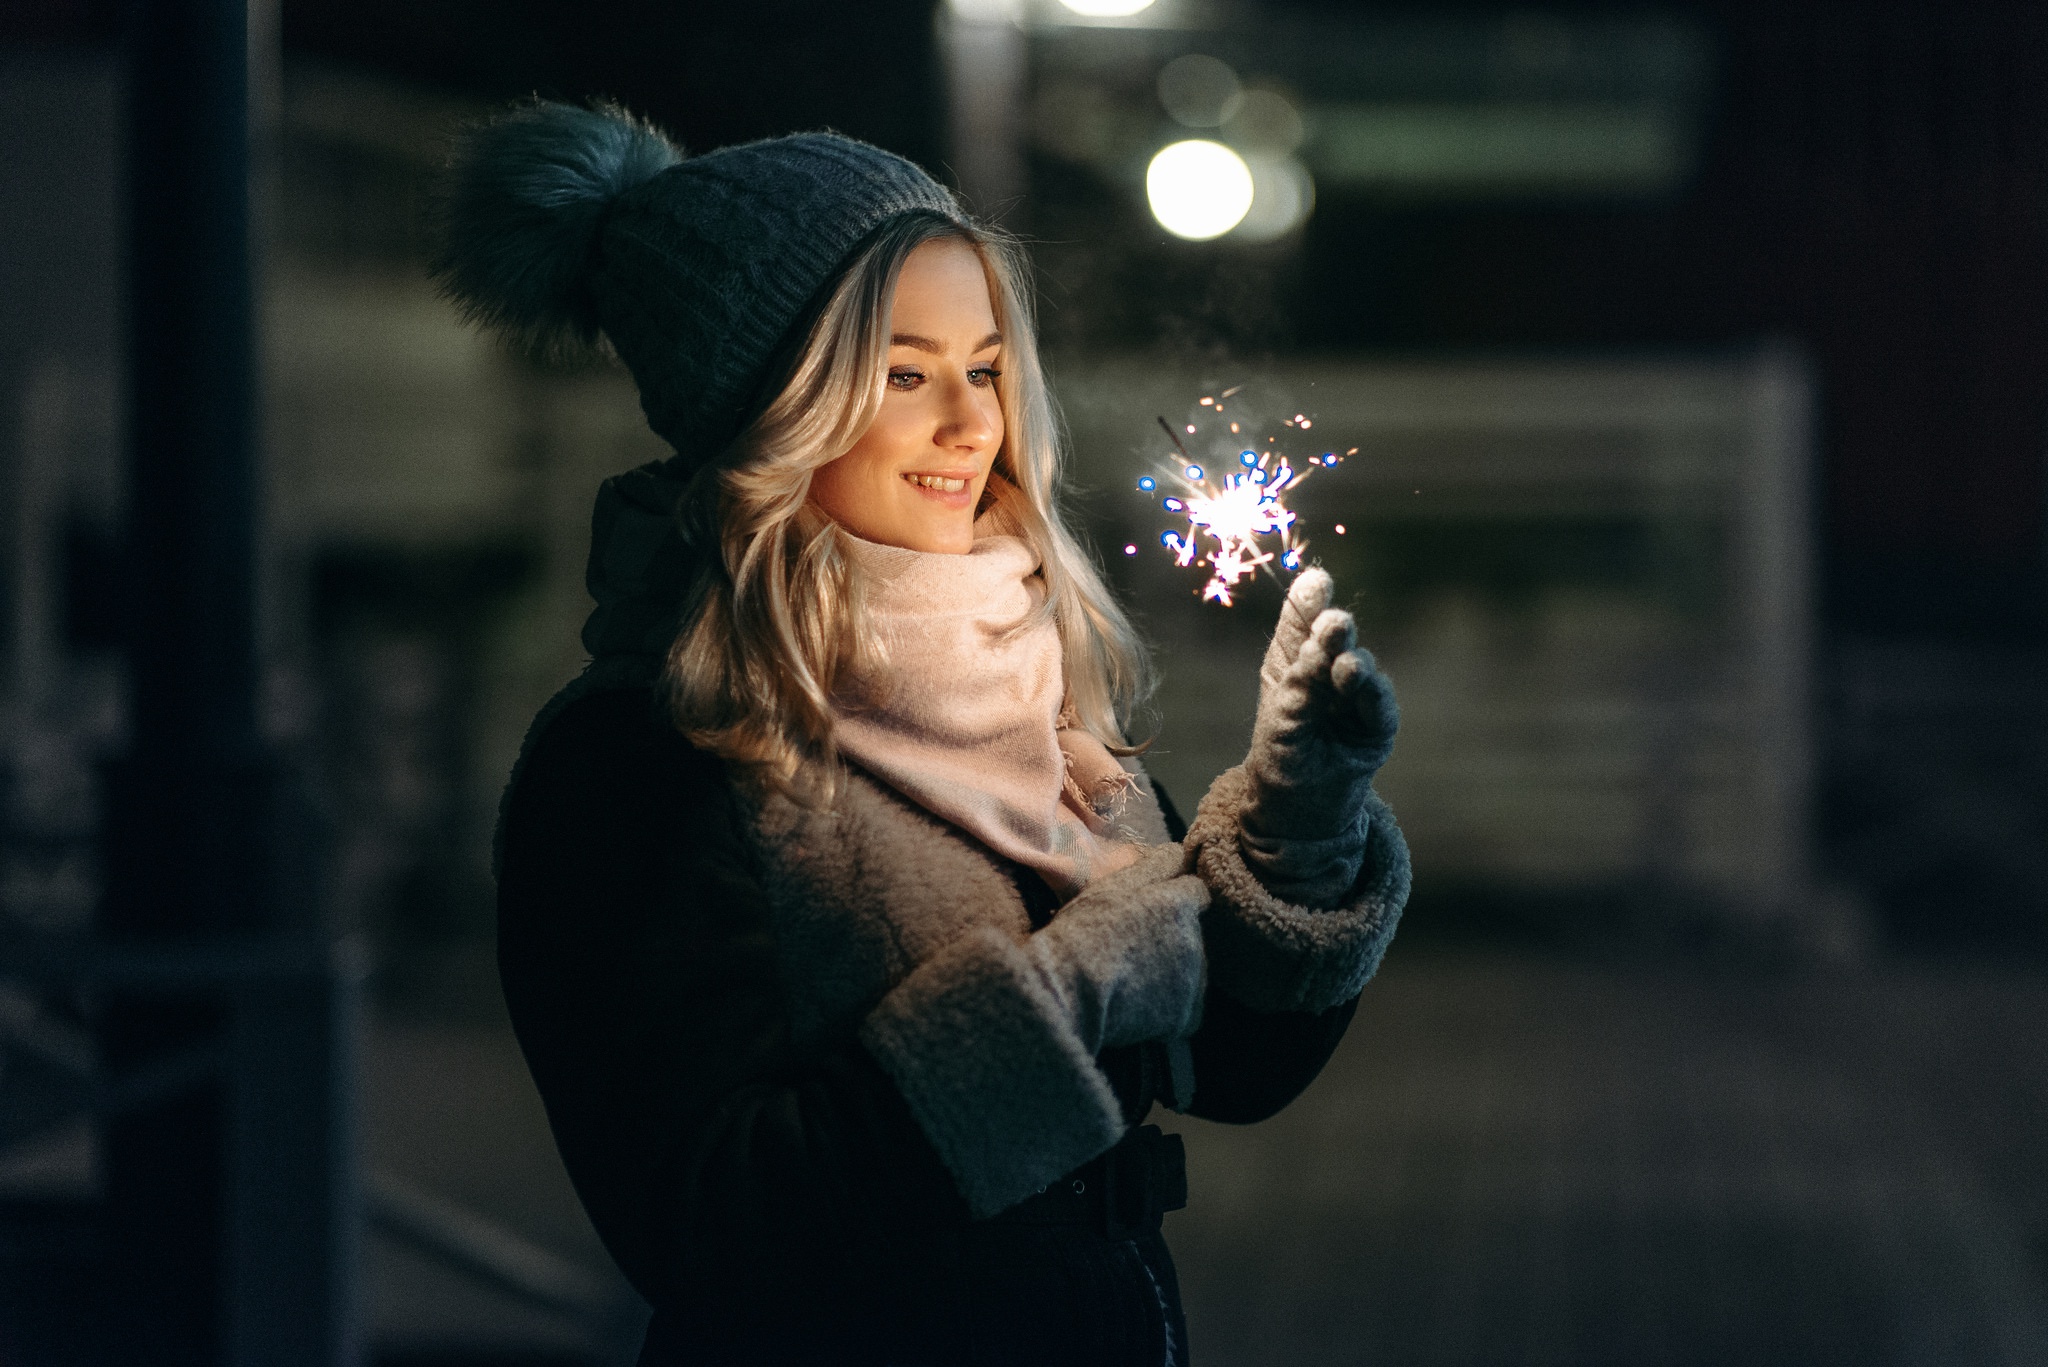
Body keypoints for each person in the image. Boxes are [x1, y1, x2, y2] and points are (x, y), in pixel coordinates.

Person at [440, 100, 1410, 1366]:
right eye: (904, 373)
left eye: (986, 365)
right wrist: (1065, 990)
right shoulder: (646, 754)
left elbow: (1226, 1063)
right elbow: (706, 1221)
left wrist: (1301, 813)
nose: (971, 422)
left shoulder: (1024, 683)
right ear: (770, 404)